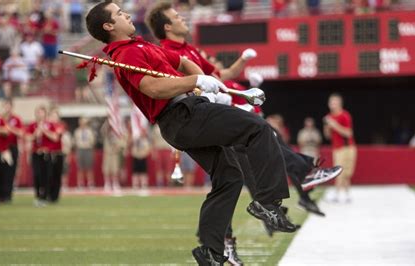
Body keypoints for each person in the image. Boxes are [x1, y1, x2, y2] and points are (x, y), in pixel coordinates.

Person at [86, 2, 296, 264]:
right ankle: (268, 201)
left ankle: (211, 250)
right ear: (108, 26)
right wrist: (195, 83)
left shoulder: (143, 45)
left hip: (185, 116)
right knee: (258, 127)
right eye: (119, 14)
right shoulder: (126, 55)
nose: (126, 14)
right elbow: (153, 88)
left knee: (229, 176)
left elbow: (183, 61)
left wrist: (203, 84)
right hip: (183, 115)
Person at [145, 3, 342, 263]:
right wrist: (216, 98)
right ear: (167, 27)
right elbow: (181, 86)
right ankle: (282, 191)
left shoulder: (188, 50)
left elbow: (219, 75)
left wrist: (244, 62)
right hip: (201, 115)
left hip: (212, 110)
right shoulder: (166, 51)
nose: (183, 19)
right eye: (177, 17)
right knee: (259, 136)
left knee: (232, 175)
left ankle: (215, 248)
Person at [324, 93, 357, 203]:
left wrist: (334, 125)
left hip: (347, 147)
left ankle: (345, 194)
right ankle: (339, 193)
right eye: (331, 102)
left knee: (347, 173)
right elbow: (327, 136)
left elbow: (348, 133)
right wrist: (327, 127)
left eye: (335, 102)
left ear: (340, 103)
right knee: (339, 171)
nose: (333, 104)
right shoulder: (329, 117)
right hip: (337, 148)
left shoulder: (345, 115)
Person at [26, 106, 58, 207]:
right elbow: (28, 137)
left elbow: (55, 137)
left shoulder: (50, 125)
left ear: (45, 114)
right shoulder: (32, 125)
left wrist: (44, 131)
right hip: (36, 153)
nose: (40, 114)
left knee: (47, 175)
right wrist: (36, 132)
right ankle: (38, 196)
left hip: (47, 154)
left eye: (42, 112)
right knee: (37, 175)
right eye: (38, 112)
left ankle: (45, 196)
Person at [2, 99, 23, 202]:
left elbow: (21, 133)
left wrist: (10, 128)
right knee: (1, 171)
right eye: (5, 106)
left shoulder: (16, 119)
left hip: (12, 147)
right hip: (2, 148)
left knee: (11, 172)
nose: (7, 108)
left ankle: (8, 195)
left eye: (9, 106)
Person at [101, 120, 126, 194]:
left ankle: (115, 184)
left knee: (115, 170)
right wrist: (108, 120)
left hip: (114, 153)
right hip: (108, 153)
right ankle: (107, 184)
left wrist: (118, 147)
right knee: (106, 169)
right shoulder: (106, 133)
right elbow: (103, 130)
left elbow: (121, 143)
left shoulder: (117, 134)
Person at [48, 108, 65, 202]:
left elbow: (56, 137)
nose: (54, 117)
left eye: (55, 115)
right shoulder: (48, 125)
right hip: (49, 153)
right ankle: (48, 194)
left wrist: (46, 131)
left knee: (57, 175)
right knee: (49, 175)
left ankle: (55, 195)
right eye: (52, 115)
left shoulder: (60, 125)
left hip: (58, 153)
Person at [74, 117, 96, 188]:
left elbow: (93, 141)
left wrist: (88, 144)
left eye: (84, 122)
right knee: (80, 168)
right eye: (81, 122)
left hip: (88, 149)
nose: (83, 124)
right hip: (80, 149)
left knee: (89, 167)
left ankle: (90, 183)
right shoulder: (77, 131)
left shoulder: (90, 131)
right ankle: (80, 183)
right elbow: (75, 142)